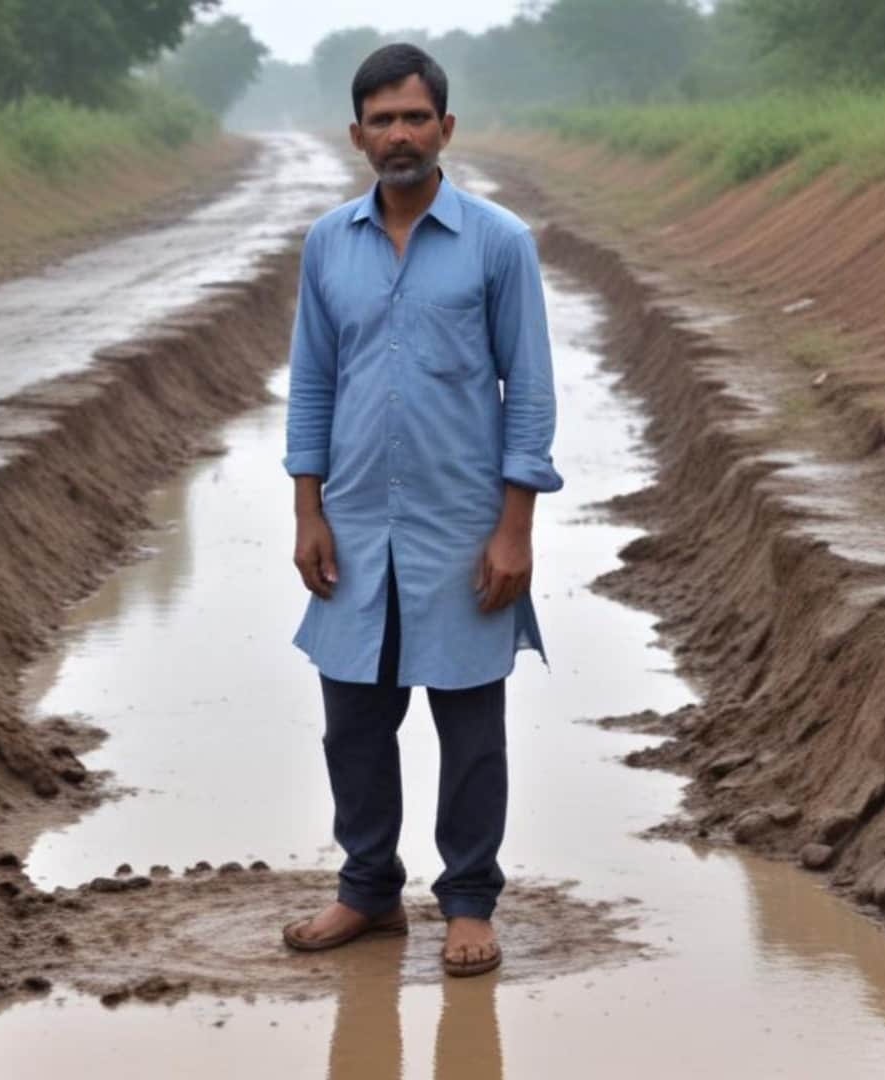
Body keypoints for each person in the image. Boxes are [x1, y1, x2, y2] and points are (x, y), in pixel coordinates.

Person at [279, 43, 561, 979]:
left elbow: (529, 393)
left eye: (415, 116)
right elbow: (314, 381)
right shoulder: (328, 243)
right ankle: (367, 890)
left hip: (462, 528)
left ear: (446, 127)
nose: (399, 133)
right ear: (356, 134)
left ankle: (470, 900)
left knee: (470, 726)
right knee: (352, 719)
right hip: (354, 524)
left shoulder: (497, 243)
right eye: (381, 118)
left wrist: (515, 528)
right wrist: (305, 510)